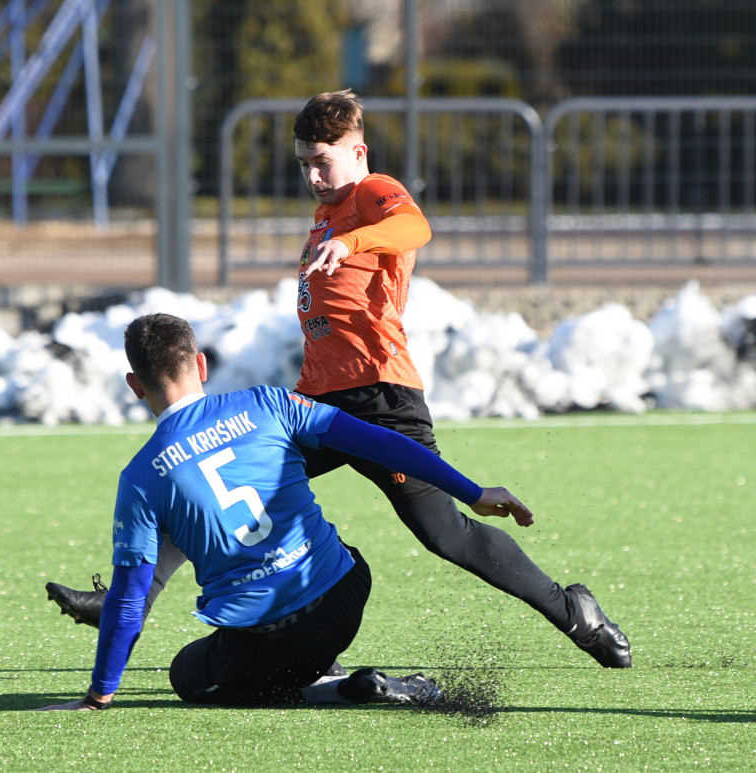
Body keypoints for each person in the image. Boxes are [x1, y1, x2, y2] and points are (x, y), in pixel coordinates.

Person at [51, 89, 630, 670]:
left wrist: (351, 241)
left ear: (359, 153)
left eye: (322, 161)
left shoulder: (373, 193)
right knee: (204, 483)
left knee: (445, 535)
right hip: (317, 402)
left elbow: (415, 226)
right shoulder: (326, 214)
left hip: (381, 397)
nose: (313, 175)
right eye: (304, 163)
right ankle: (127, 602)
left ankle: (574, 611)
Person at [37, 313, 536, 710]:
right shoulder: (270, 403)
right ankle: (329, 672)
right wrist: (471, 491)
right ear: (202, 365)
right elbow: (384, 442)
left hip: (273, 642)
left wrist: (98, 697)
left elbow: (126, 603)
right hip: (346, 593)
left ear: (134, 384)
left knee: (187, 675)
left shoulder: (141, 478)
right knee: (324, 551)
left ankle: (336, 689)